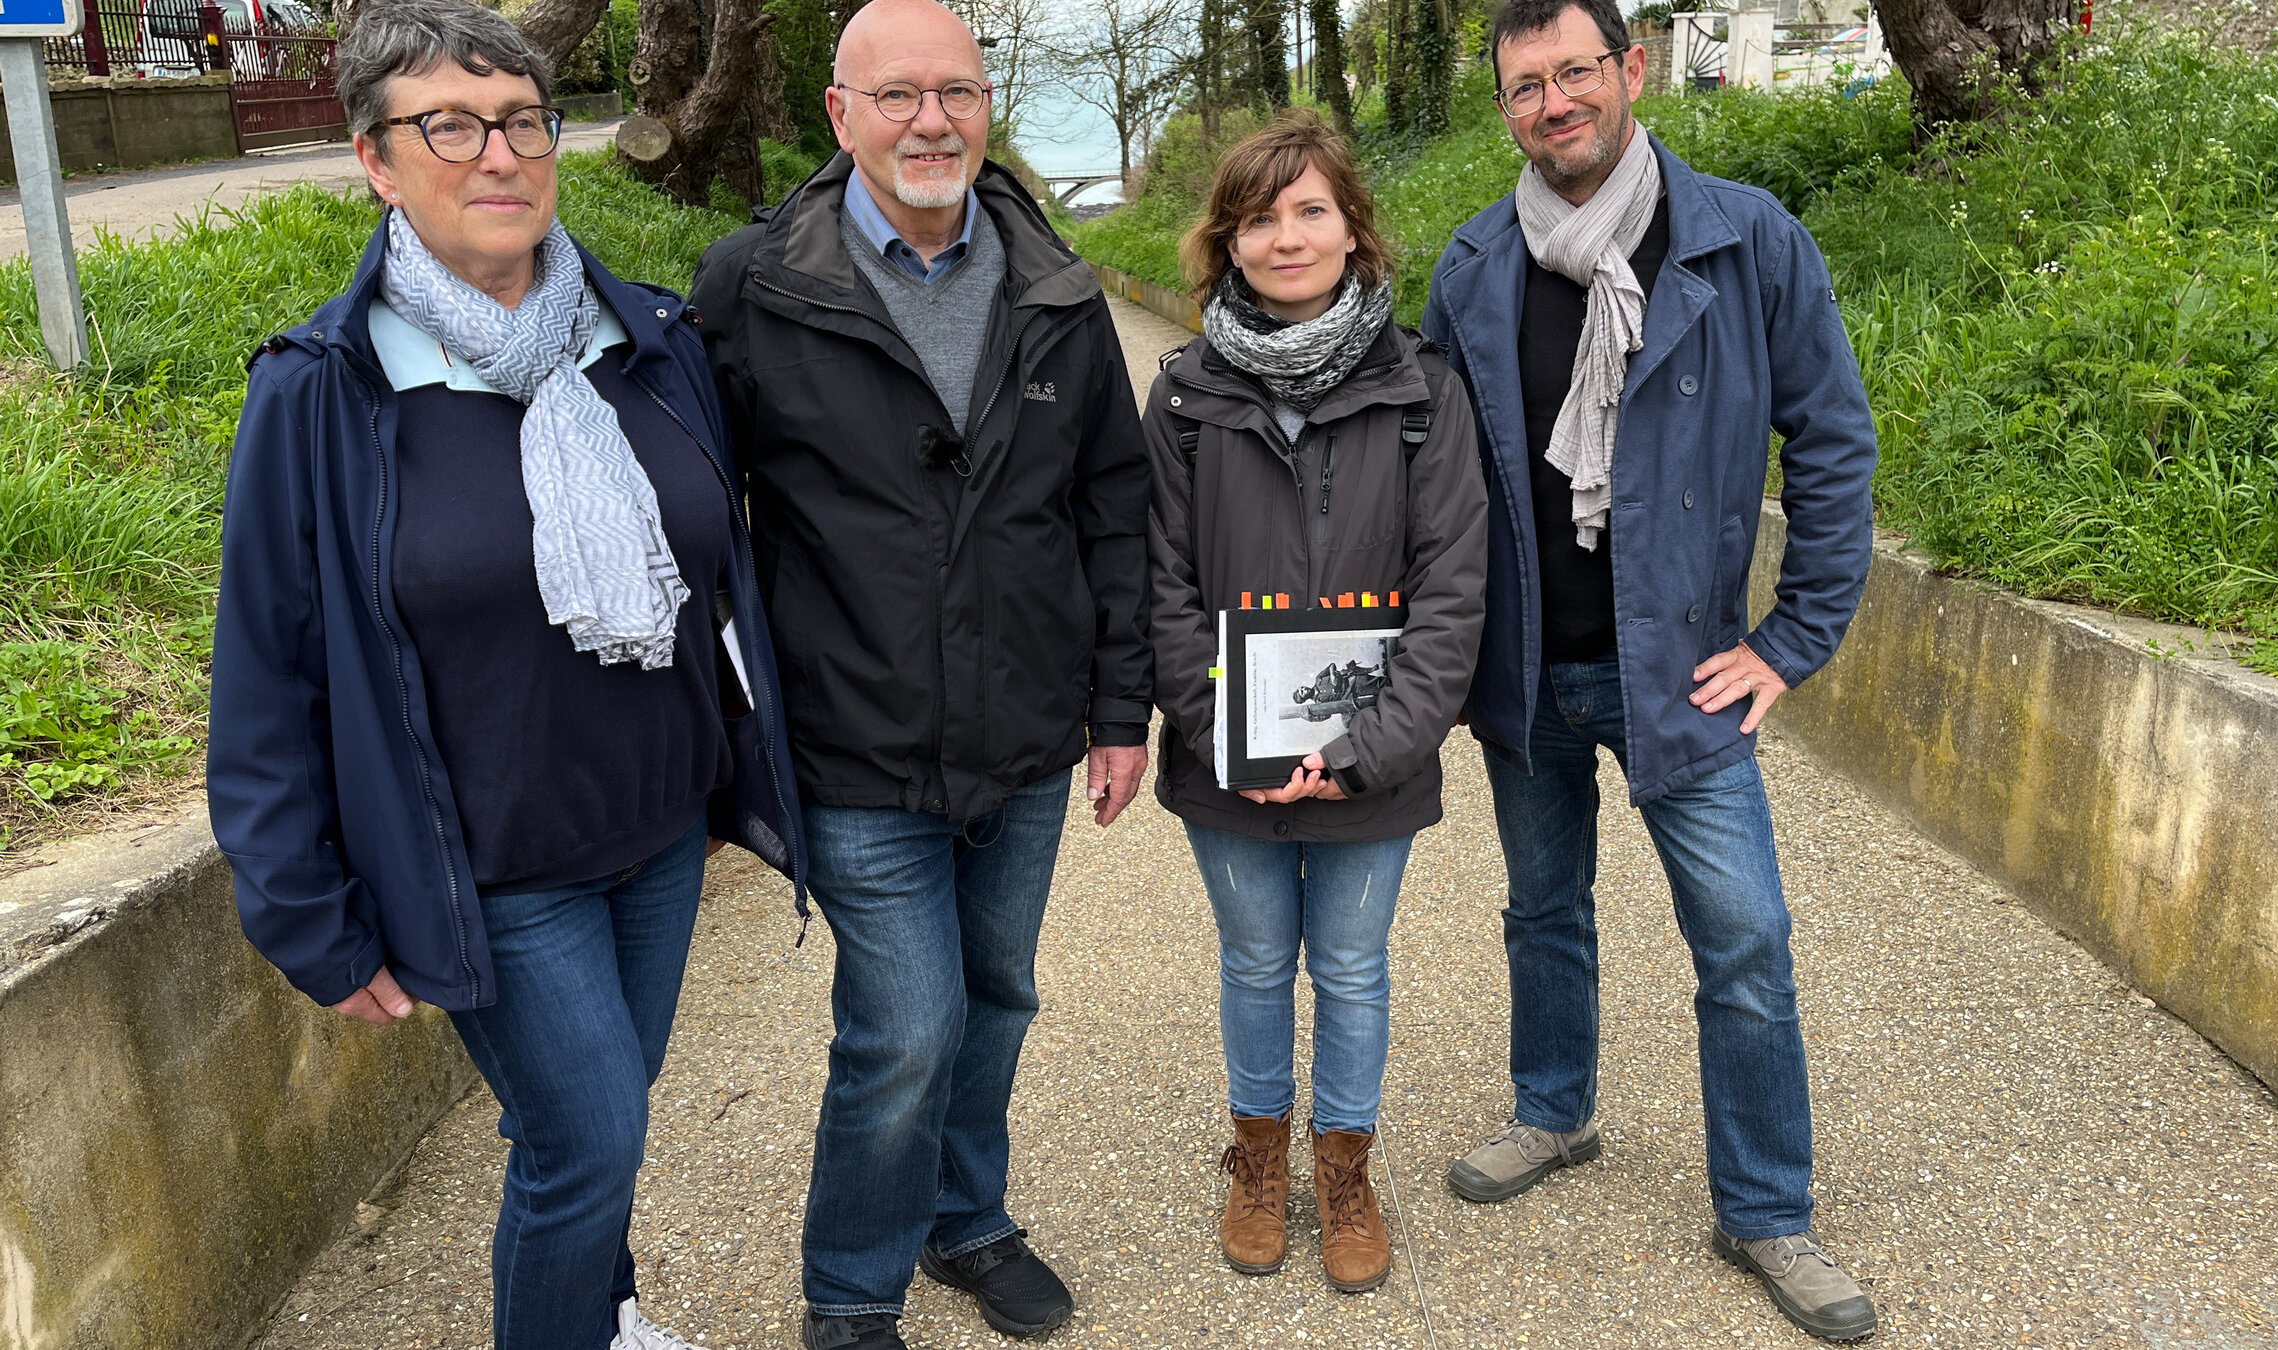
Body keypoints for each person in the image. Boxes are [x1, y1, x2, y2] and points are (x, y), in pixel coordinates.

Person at [208, 3, 804, 1348]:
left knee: (607, 1117)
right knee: (582, 1144)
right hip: (495, 869)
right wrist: (306, 907)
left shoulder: (641, 344)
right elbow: (268, 671)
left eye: (523, 122)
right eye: (449, 127)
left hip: (657, 833)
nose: (498, 157)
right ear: (376, 159)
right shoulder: (327, 391)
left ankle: (610, 1313)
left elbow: (719, 572)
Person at [684, 1, 1151, 1345]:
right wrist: (721, 745)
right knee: (903, 1028)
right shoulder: (751, 288)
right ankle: (851, 1288)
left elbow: (1111, 508)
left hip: (1026, 739)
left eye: (954, 91)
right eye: (897, 95)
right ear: (841, 115)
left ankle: (966, 1214)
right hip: (856, 743)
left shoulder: (1056, 289)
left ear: (987, 107)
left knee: (997, 995)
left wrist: (1119, 708)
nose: (930, 119)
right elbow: (695, 519)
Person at [1419, 0, 1879, 1340]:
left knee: (1744, 934)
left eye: (1574, 73)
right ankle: (1553, 1110)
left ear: (1629, 71)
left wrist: (1793, 639)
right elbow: (1432, 476)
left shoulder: (1745, 238)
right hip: (1523, 668)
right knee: (1541, 908)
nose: (1554, 104)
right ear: (1503, 108)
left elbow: (1835, 443)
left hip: (1680, 664)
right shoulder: (1473, 264)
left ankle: (1767, 1206)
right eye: (1524, 87)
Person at [1146, 112, 1487, 1295]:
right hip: (1227, 764)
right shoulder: (1184, 400)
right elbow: (1163, 587)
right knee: (1252, 964)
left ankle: (1344, 1169)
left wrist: (1366, 747)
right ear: (1226, 244)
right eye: (1258, 217)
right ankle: (1258, 1162)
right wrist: (1228, 736)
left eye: (1309, 211)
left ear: (1352, 229)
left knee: (1349, 966)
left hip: (1373, 765)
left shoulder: (1422, 395)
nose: (1285, 237)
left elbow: (1454, 591)